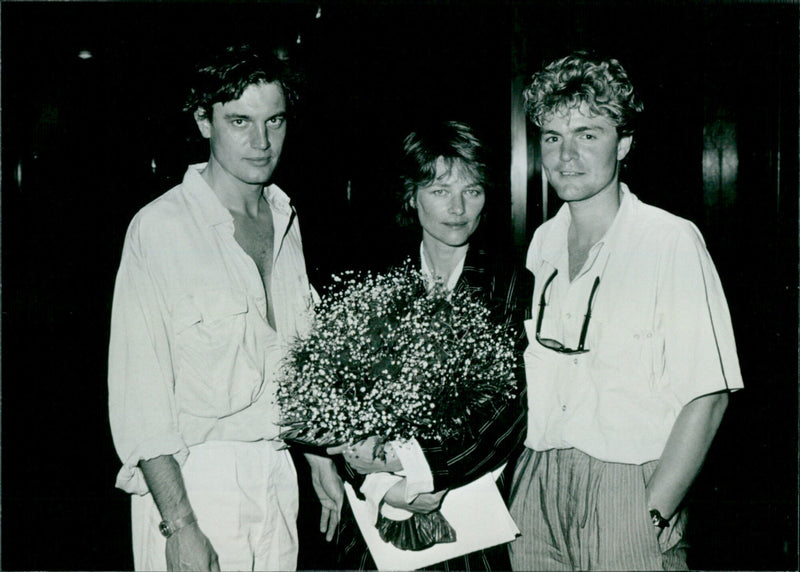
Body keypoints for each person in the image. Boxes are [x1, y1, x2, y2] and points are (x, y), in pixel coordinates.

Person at [107, 45, 343, 572]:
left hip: (277, 475)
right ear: (203, 121)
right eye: (240, 121)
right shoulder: (160, 229)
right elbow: (139, 399)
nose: (261, 142)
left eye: (274, 120)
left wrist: (315, 457)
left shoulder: (286, 219)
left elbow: (288, 360)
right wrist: (180, 525)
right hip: (193, 483)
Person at [508, 51, 744, 571]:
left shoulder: (669, 241)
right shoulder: (543, 242)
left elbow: (708, 397)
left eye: (588, 134)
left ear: (624, 143)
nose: (567, 155)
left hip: (628, 488)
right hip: (537, 488)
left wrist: (652, 514)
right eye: (553, 137)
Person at [332, 120, 529, 571]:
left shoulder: (511, 286)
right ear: (412, 195)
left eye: (472, 191)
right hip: (374, 529)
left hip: (471, 527)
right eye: (440, 191)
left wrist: (417, 469)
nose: (458, 208)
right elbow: (337, 405)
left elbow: (507, 415)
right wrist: (386, 487)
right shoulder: (377, 283)